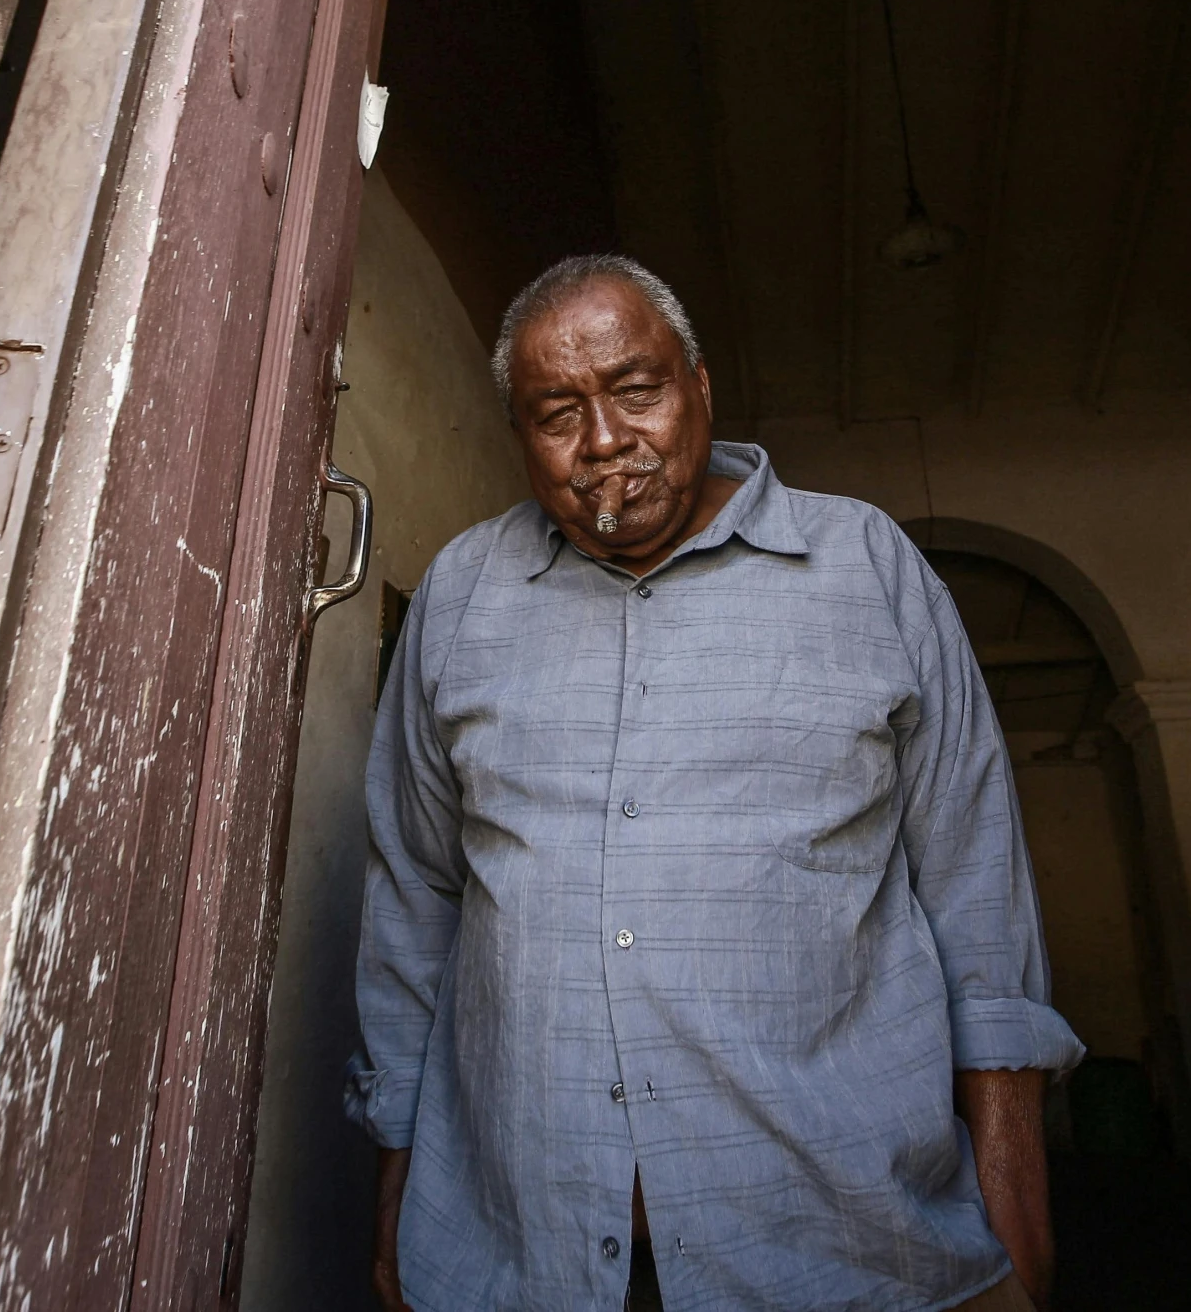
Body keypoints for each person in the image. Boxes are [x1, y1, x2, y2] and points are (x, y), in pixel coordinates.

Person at [346, 255, 1081, 1311]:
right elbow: (412, 904)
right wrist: (397, 1198)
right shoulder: (463, 591)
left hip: (849, 1258)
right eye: (556, 412)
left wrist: (1016, 1204)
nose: (604, 441)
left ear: (698, 386)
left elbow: (976, 890)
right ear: (518, 433)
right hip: (519, 1257)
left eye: (635, 390)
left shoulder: (863, 563)